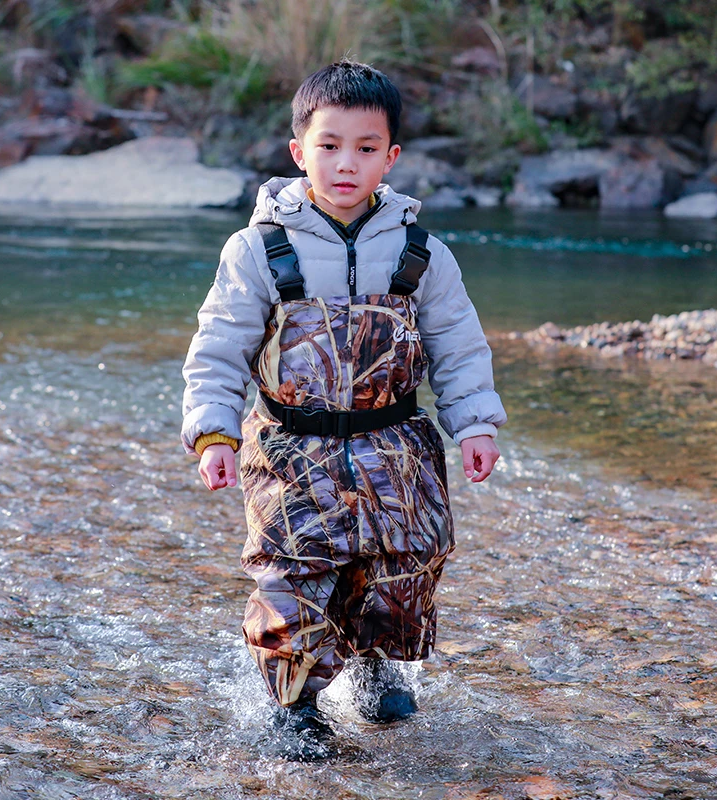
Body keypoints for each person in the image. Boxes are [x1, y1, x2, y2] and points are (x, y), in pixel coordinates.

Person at [181, 59, 507, 758]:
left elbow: (458, 346)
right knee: (289, 580)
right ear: (299, 152)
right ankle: (294, 706)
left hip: (395, 448)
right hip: (290, 450)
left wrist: (475, 423)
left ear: (390, 158)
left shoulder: (422, 253)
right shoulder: (258, 250)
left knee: (398, 570)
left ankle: (372, 662)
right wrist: (213, 432)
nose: (345, 164)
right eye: (329, 146)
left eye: (365, 149)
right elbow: (219, 348)